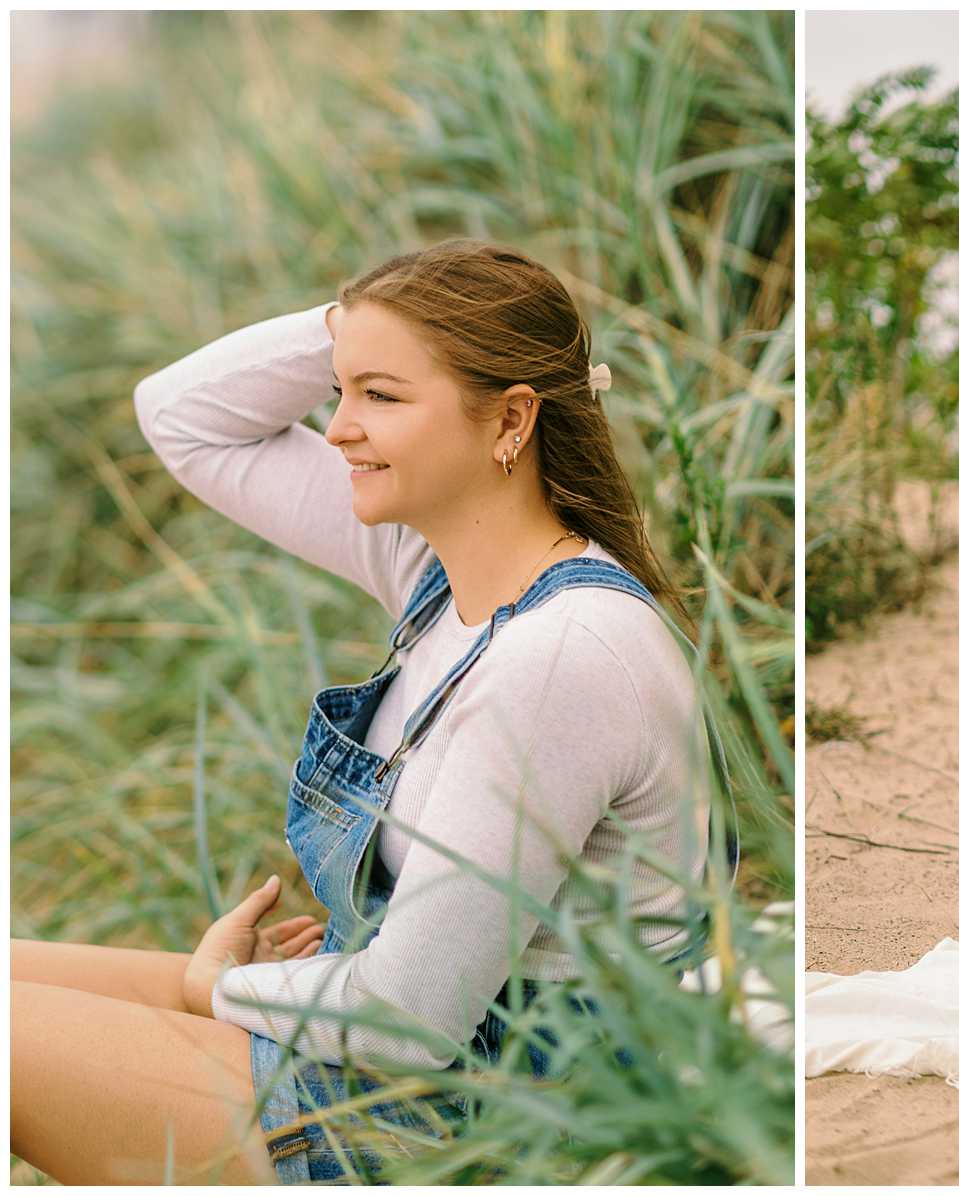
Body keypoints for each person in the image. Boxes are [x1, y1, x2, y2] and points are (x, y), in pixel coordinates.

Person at [12, 238, 731, 1184]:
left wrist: (219, 989)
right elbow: (181, 420)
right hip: (410, 1049)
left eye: (381, 397)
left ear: (512, 417)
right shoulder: (439, 576)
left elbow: (407, 1021)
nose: (340, 427)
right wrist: (360, 331)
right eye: (341, 391)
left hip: (484, 1119)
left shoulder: (561, 659)